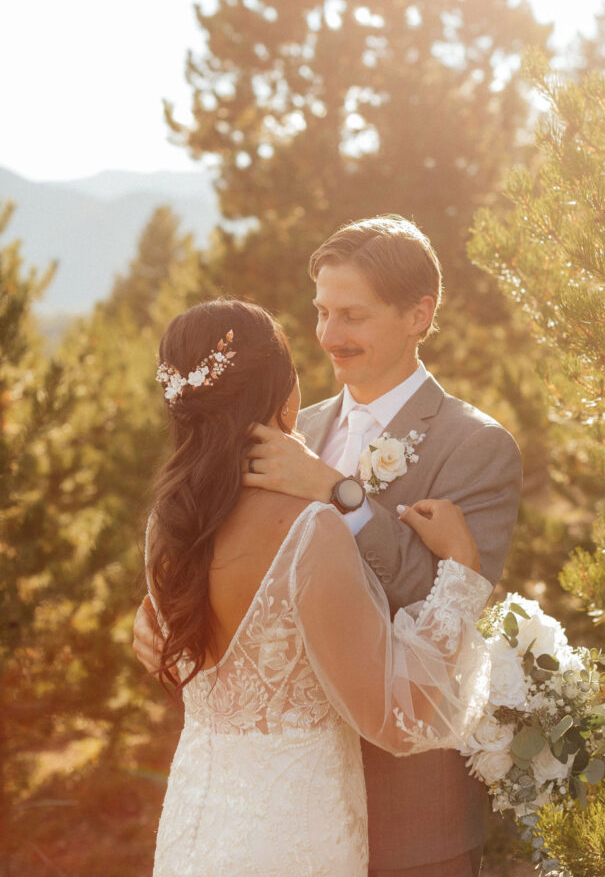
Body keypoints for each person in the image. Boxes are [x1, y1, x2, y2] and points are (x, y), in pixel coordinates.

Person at [136, 215, 523, 876]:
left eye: (352, 315)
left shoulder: (476, 445)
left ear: (417, 314)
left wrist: (340, 495)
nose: (328, 336)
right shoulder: (293, 424)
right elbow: (220, 551)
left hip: (410, 816)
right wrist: (157, 612)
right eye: (320, 312)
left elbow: (428, 600)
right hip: (285, 806)